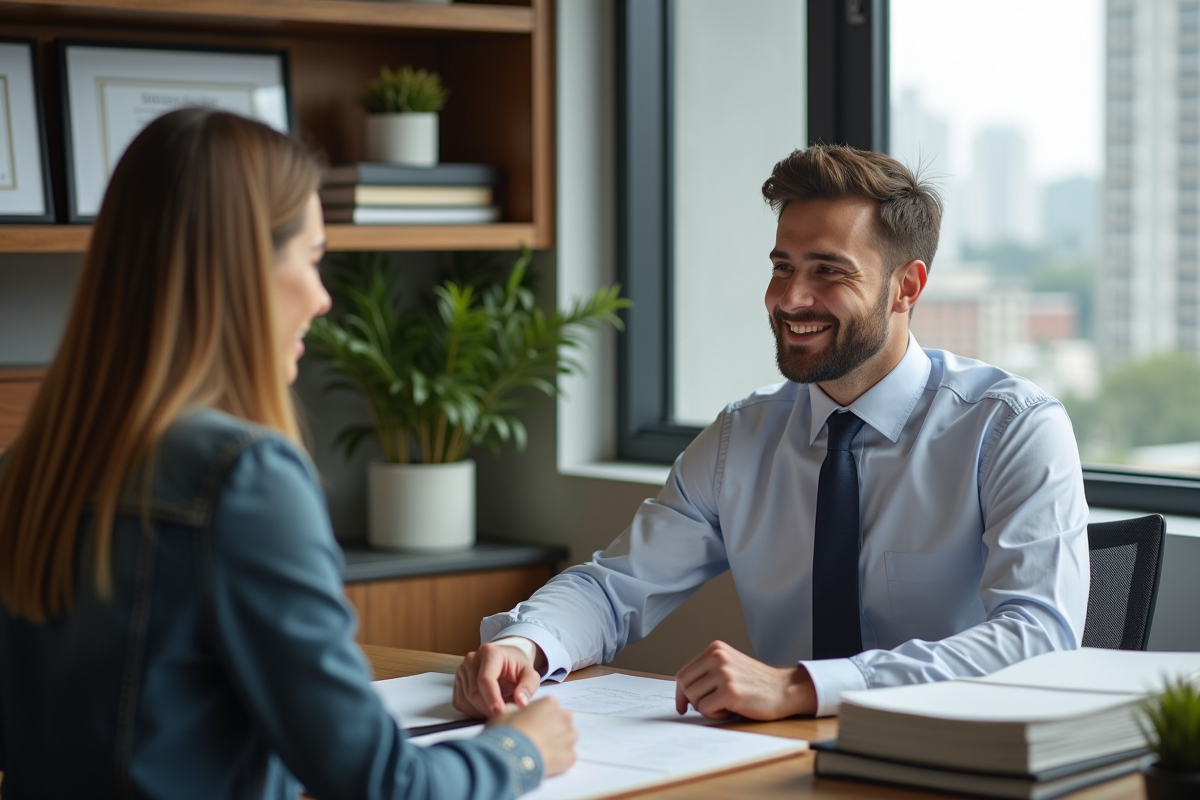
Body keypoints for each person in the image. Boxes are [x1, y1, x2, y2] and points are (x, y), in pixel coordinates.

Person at [0, 108, 575, 799]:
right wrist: (520, 751)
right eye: (311, 258)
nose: (324, 298)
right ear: (242, 271)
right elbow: (381, 784)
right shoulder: (242, 479)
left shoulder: (27, 470)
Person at [453, 144, 1090, 723]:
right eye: (782, 267)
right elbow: (615, 585)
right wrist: (525, 643)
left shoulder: (1012, 428)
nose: (790, 298)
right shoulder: (743, 437)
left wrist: (807, 687)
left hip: (956, 759)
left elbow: (1038, 634)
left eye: (828, 272)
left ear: (907, 288)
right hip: (779, 759)